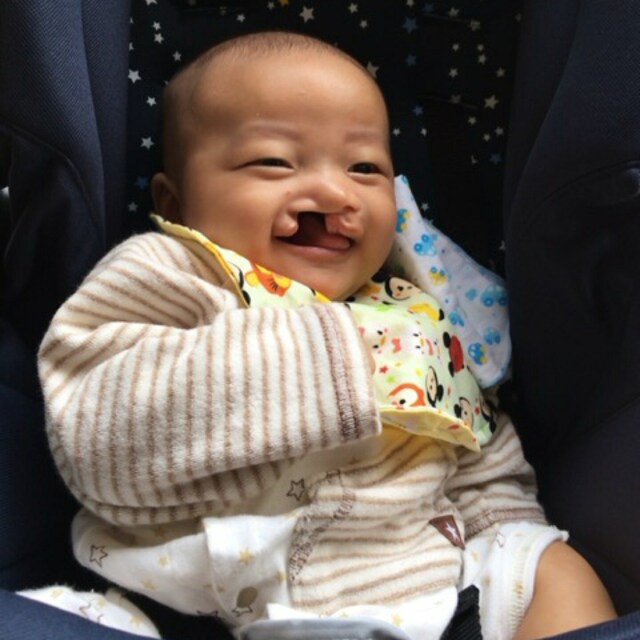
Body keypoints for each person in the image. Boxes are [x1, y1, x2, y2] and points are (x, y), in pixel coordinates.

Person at [34, 31, 615, 640]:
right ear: (175, 202)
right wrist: (320, 362)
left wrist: (502, 528)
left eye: (365, 168)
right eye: (274, 162)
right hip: (205, 607)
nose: (334, 191)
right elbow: (91, 432)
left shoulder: (410, 313)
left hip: (423, 601)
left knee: (552, 568)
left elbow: (476, 454)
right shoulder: (172, 274)